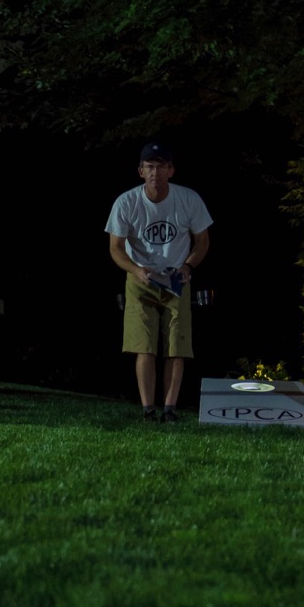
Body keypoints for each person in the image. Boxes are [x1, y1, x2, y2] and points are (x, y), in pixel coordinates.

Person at [105, 141, 213, 421]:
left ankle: (170, 408)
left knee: (177, 345)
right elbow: (115, 248)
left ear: (171, 170)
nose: (156, 173)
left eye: (161, 167)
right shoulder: (126, 202)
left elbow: (202, 240)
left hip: (176, 278)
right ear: (141, 171)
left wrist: (188, 265)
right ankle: (148, 409)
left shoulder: (188, 199)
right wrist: (136, 269)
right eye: (150, 167)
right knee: (144, 345)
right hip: (141, 279)